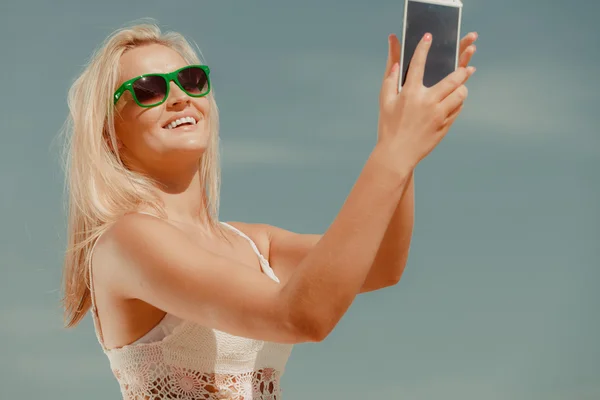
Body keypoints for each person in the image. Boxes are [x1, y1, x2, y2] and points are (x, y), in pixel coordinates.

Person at [61, 22, 477, 400]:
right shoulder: (127, 241)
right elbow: (301, 317)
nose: (178, 97)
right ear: (110, 136)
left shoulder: (254, 242)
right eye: (149, 88)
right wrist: (394, 151)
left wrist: (401, 143)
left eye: (191, 80)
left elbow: (383, 262)